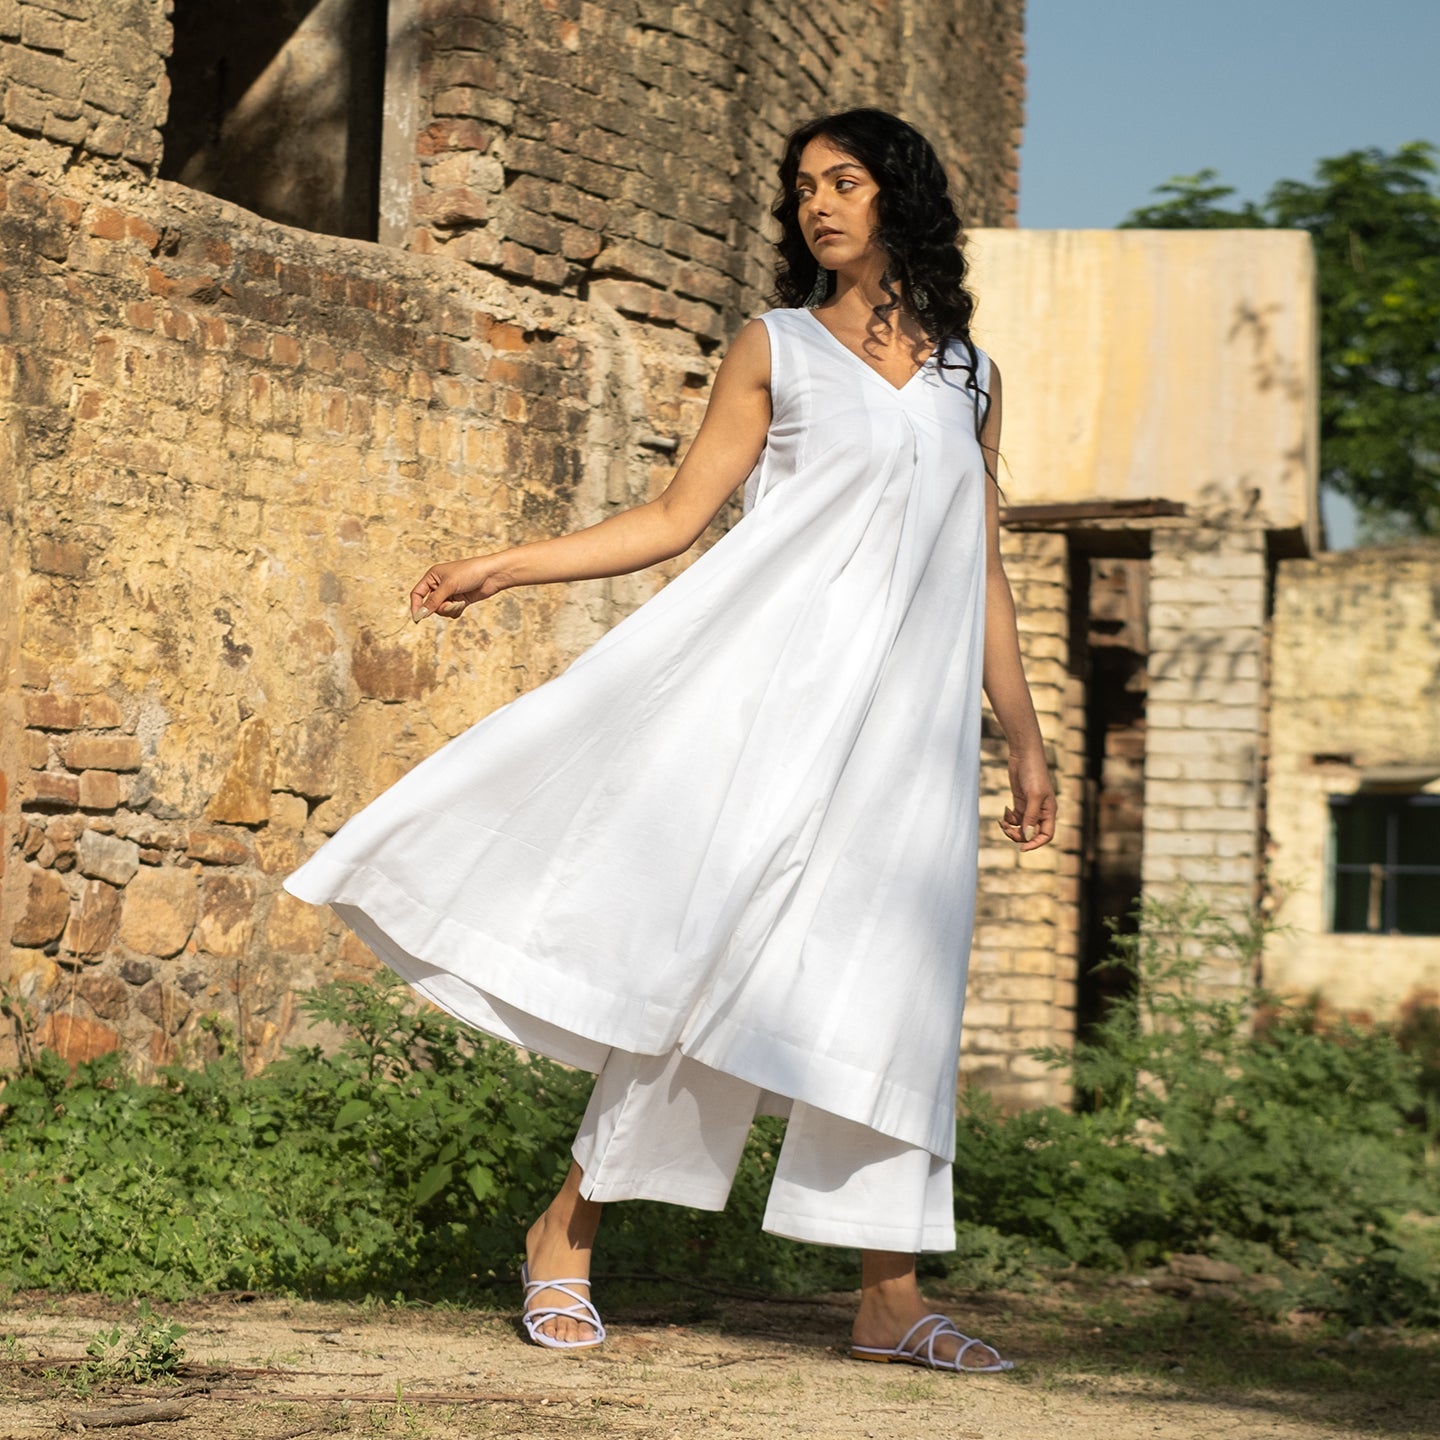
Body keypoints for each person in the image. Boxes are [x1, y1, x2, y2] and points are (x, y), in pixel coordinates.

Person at [285, 107, 1056, 1373]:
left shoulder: (971, 374)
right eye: (803, 187)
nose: (819, 206)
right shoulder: (780, 347)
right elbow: (675, 515)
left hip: (909, 742)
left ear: (899, 196)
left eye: (845, 182)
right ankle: (565, 1235)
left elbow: (980, 568)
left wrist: (1021, 736)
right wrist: (508, 564)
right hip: (778, 700)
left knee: (891, 989)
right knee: (721, 955)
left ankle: (888, 1295)